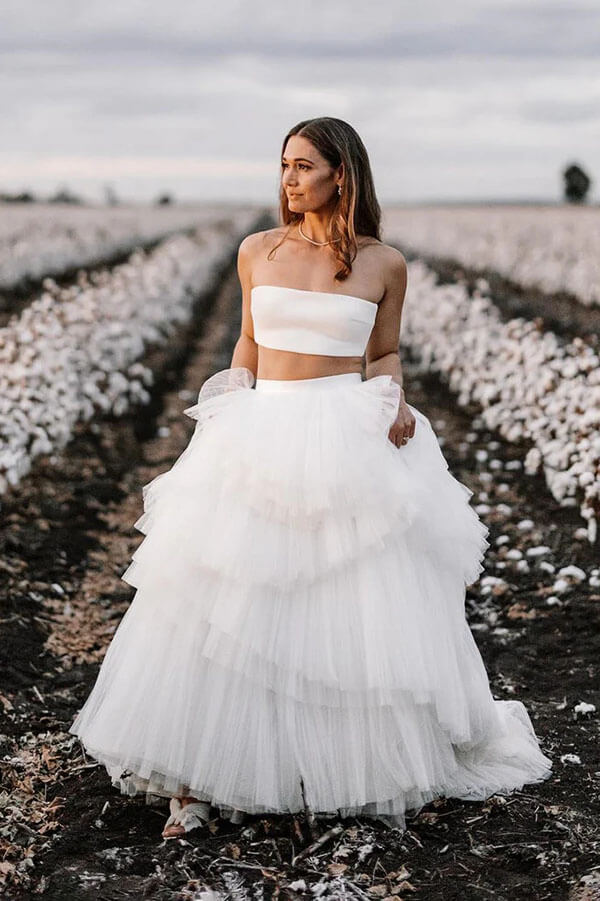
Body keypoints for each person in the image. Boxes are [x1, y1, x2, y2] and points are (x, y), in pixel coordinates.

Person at [69, 116, 552, 840]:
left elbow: (383, 356)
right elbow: (250, 339)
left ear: (341, 176)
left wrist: (397, 400)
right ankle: (195, 777)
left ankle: (341, 764)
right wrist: (231, 391)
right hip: (265, 425)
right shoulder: (257, 249)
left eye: (303, 167)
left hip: (343, 430)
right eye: (285, 166)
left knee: (342, 608)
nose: (289, 180)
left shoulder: (383, 263)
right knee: (226, 599)